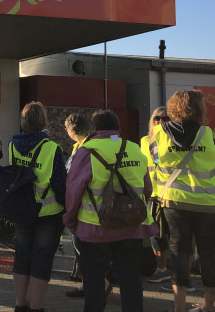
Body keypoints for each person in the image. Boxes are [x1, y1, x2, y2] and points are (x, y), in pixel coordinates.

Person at [64, 109, 156, 312]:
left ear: (94, 129)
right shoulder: (134, 149)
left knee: (94, 283)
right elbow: (147, 189)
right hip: (132, 226)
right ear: (118, 128)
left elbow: (73, 192)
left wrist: (70, 221)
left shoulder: (86, 151)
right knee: (131, 279)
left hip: (94, 229)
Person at [152, 89, 215, 312]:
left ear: (173, 107)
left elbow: (156, 160)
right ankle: (208, 306)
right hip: (212, 205)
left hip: (176, 204)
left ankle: (178, 307)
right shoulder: (207, 133)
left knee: (178, 254)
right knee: (209, 254)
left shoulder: (159, 133)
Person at [9, 102, 66, 312]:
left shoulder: (12, 145)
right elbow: (60, 186)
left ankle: (19, 305)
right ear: (43, 121)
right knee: (41, 261)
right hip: (48, 214)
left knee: (22, 257)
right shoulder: (52, 149)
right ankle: (37, 308)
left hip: (22, 211)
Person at [62, 112, 105, 300]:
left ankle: (96, 286)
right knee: (84, 252)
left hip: (88, 210)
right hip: (84, 208)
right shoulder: (78, 147)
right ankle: (89, 284)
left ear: (71, 130)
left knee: (85, 251)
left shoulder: (86, 148)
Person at [141, 106, 173, 285]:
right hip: (153, 195)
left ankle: (178, 271)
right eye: (157, 119)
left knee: (176, 235)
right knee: (156, 234)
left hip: (172, 194)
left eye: (166, 119)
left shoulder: (176, 141)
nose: (161, 122)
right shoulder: (145, 141)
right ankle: (162, 269)